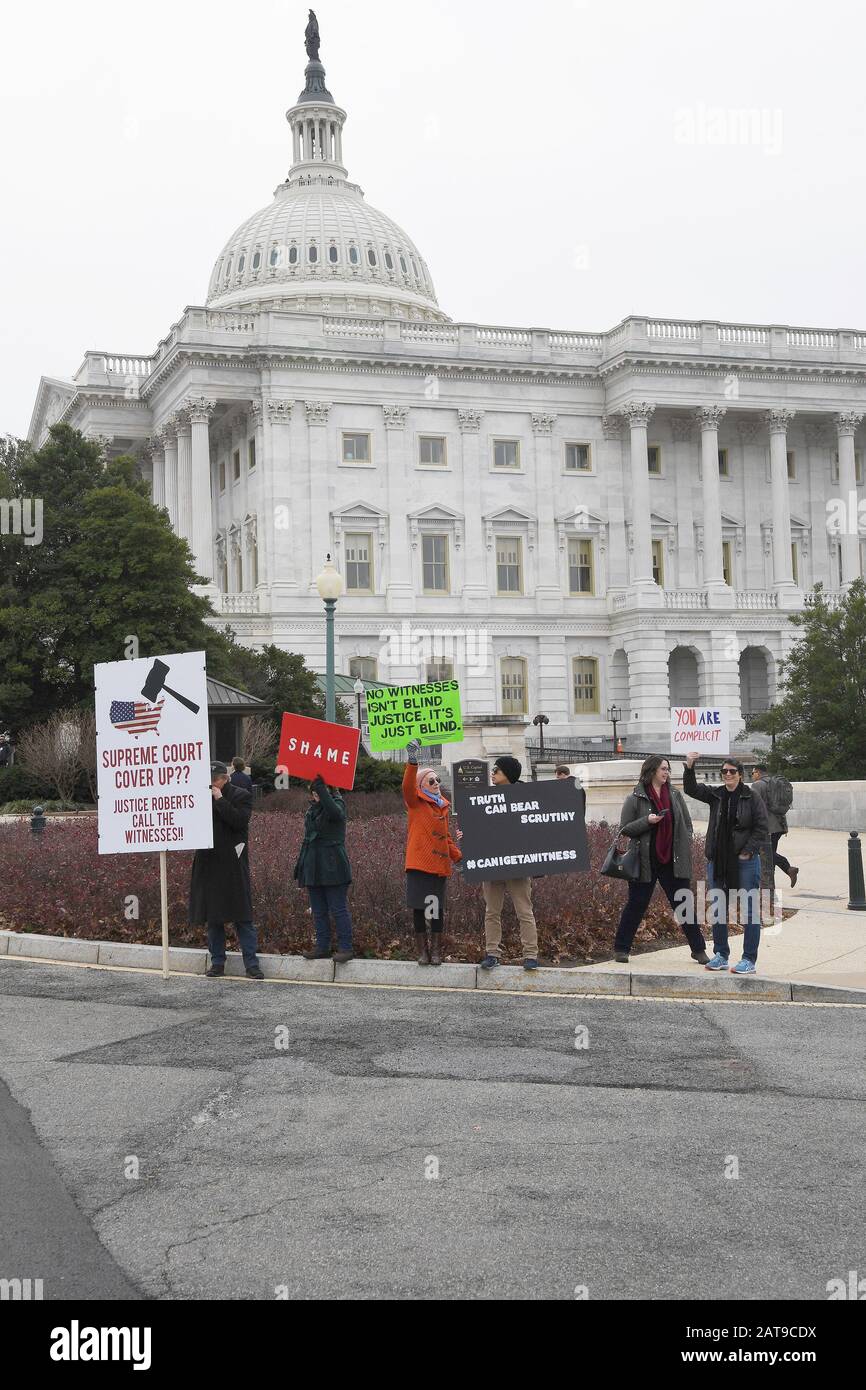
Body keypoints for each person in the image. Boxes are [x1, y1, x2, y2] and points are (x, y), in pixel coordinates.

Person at [613, 755, 709, 965]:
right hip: (645, 860)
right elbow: (625, 828)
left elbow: (687, 824)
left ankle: (699, 949)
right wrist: (646, 821)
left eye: (668, 769)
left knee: (683, 904)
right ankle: (621, 949)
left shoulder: (674, 794)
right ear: (652, 771)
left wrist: (684, 843)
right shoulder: (635, 797)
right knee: (636, 904)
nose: (666, 773)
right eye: (663, 769)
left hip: (672, 860)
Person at [683, 753, 769, 975]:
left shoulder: (751, 797)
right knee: (718, 907)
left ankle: (749, 959)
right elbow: (691, 789)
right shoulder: (716, 795)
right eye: (724, 771)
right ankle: (721, 954)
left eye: (732, 771)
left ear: (741, 774)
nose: (728, 774)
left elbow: (761, 828)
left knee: (750, 910)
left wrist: (747, 852)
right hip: (718, 861)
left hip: (745, 862)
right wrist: (690, 766)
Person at [190, 762, 264, 980]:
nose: (210, 783)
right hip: (209, 862)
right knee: (213, 917)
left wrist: (220, 800)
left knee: (242, 916)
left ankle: (251, 964)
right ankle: (217, 962)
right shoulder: (201, 797)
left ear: (223, 779)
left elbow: (238, 821)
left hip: (232, 864)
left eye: (213, 779)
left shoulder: (241, 795)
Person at [402, 739, 462, 966]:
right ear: (421, 786)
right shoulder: (415, 803)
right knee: (419, 908)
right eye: (431, 780)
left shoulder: (442, 806)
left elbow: (446, 838)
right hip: (418, 865)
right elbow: (407, 786)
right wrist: (412, 760)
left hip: (438, 867)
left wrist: (459, 857)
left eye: (437, 779)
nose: (436, 782)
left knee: (435, 909)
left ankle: (435, 950)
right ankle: (423, 951)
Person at [479, 756, 541, 972]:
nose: (492, 772)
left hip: (518, 865)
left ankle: (531, 955)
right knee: (491, 911)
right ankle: (492, 953)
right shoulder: (484, 799)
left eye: (497, 769)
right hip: (493, 863)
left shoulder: (527, 797)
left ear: (508, 774)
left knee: (524, 911)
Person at [294, 775, 354, 963]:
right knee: (318, 910)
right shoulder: (312, 811)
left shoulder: (337, 804)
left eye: (319, 791)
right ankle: (322, 946)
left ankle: (346, 947)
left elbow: (335, 813)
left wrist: (323, 790)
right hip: (314, 865)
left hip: (333, 864)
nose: (315, 795)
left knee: (338, 908)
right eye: (313, 792)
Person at [751, 765, 798, 887]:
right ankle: (770, 883)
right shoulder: (775, 782)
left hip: (766, 827)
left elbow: (754, 806)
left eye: (752, 773)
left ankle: (787, 868)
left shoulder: (757, 785)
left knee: (766, 854)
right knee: (770, 854)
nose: (752, 776)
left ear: (757, 773)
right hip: (779, 825)